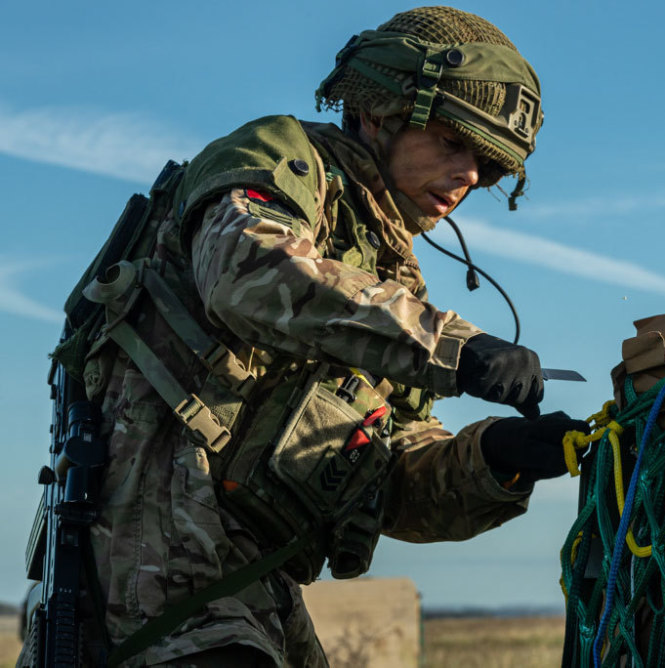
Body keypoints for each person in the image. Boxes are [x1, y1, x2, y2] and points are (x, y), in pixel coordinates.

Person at [19, 6, 587, 667]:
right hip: (156, 567)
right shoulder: (281, 159)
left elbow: (388, 480)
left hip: (253, 582)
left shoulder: (387, 269)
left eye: (487, 167)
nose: (467, 177)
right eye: (452, 142)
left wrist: (499, 460)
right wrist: (453, 347)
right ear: (378, 111)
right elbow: (246, 271)